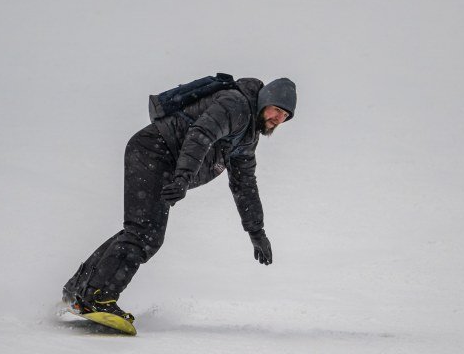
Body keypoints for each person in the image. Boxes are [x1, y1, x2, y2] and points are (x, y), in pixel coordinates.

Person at [62, 76, 297, 322]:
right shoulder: (235, 105)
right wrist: (183, 177)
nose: (278, 118)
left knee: (141, 231)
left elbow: (244, 184)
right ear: (264, 101)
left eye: (285, 116)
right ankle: (97, 298)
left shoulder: (248, 137)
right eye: (276, 110)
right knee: (145, 233)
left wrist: (256, 232)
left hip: (163, 161)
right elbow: (201, 134)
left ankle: (78, 291)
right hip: (153, 151)